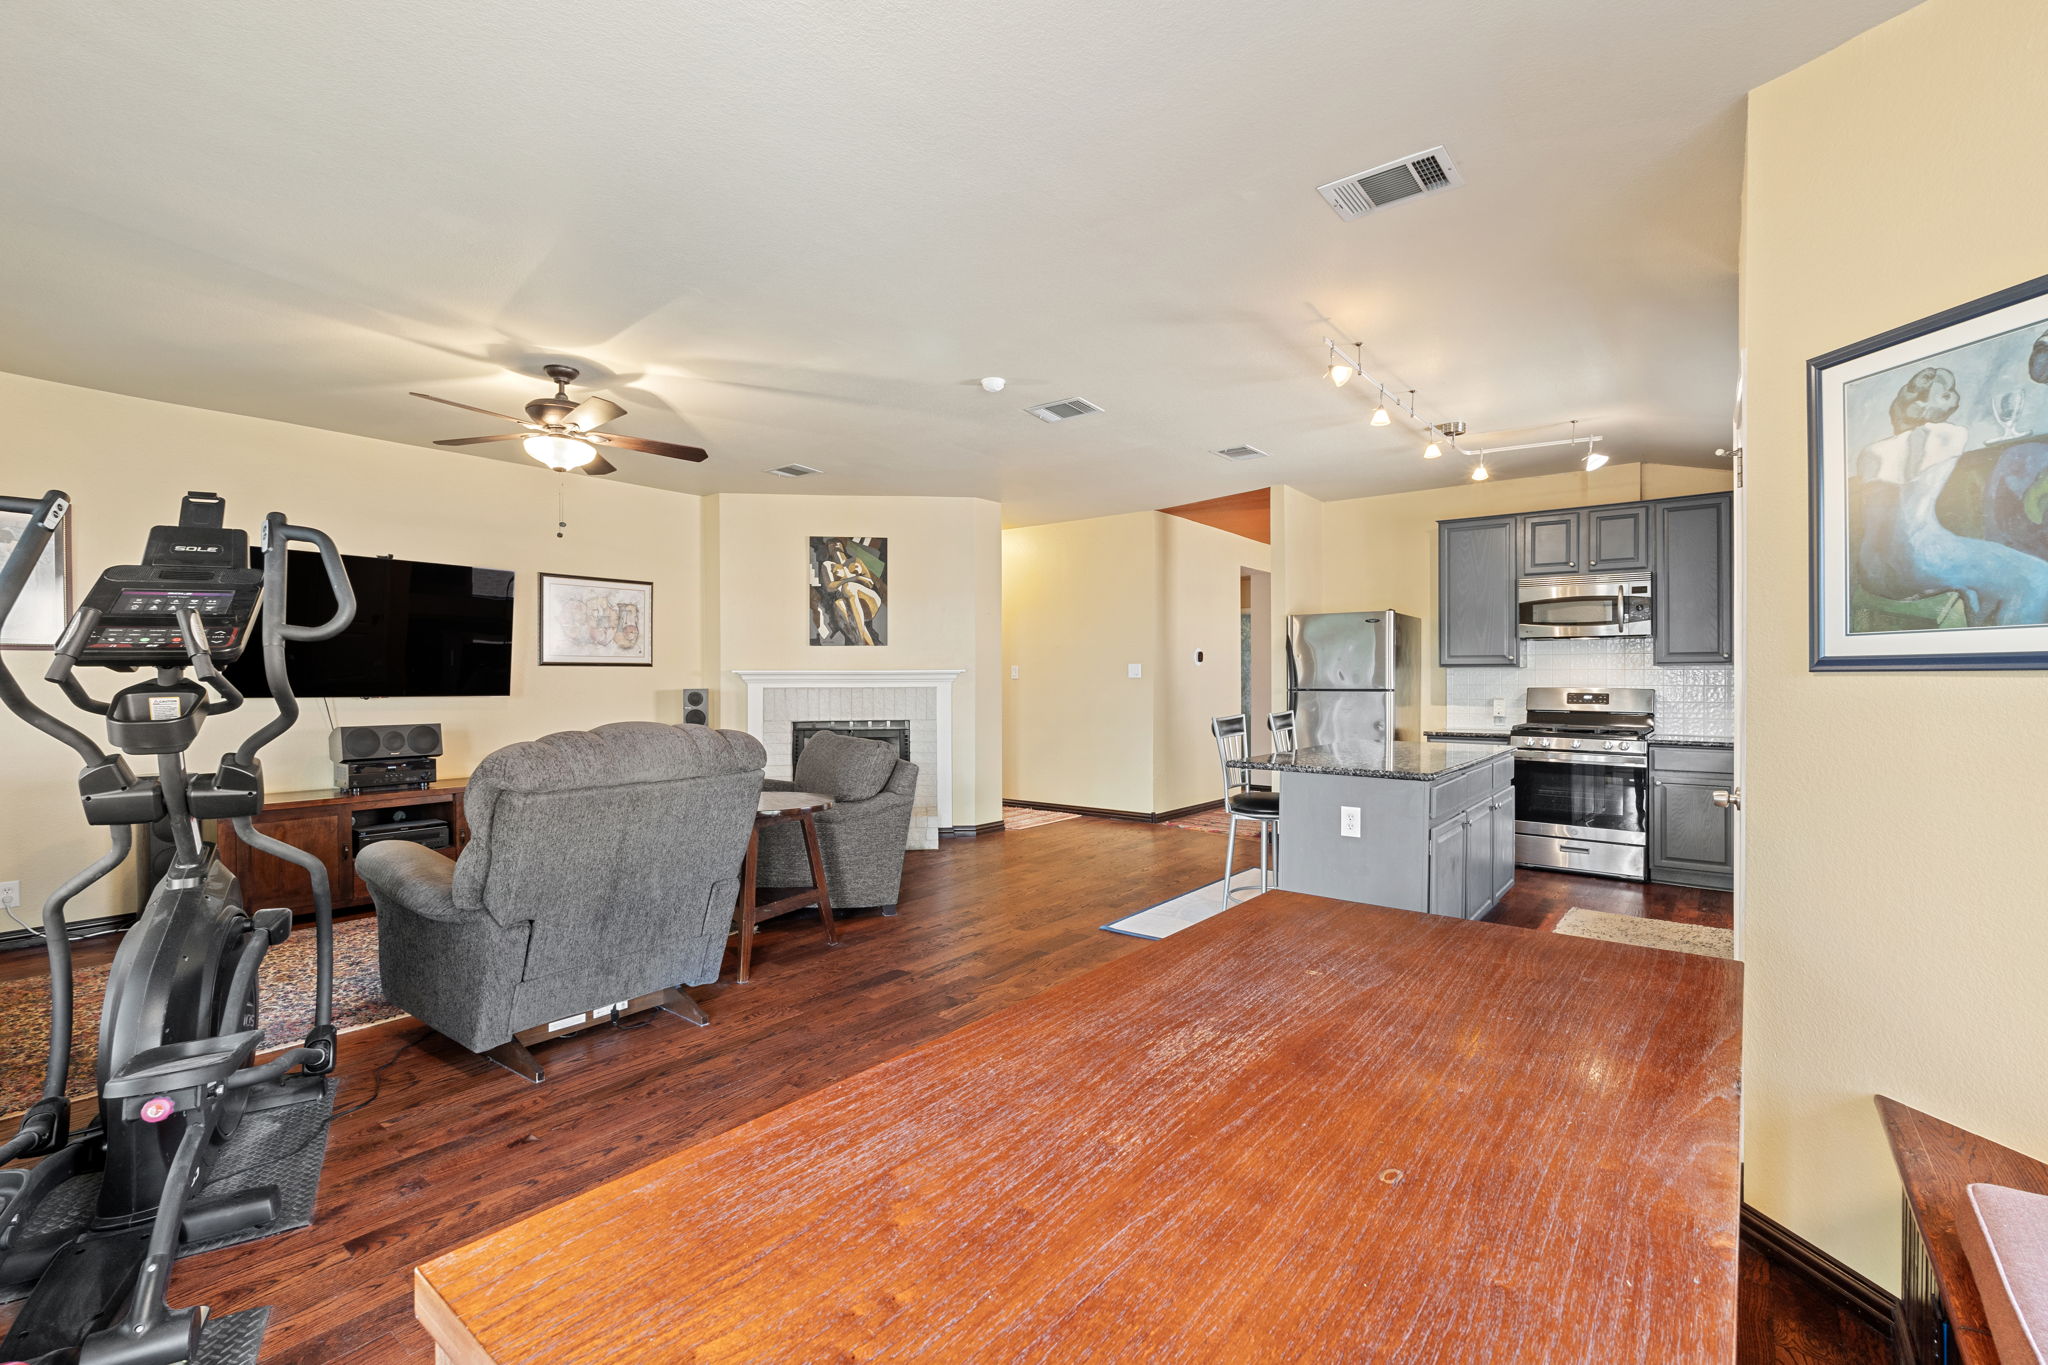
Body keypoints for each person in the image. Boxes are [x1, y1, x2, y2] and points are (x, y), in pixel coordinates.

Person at [1852, 366, 2048, 625]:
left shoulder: (1870, 451)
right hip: (1922, 558)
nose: (1954, 398)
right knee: (2037, 575)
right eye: (1947, 393)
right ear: (1928, 404)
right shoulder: (1952, 434)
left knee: (1985, 575)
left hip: (1871, 569)